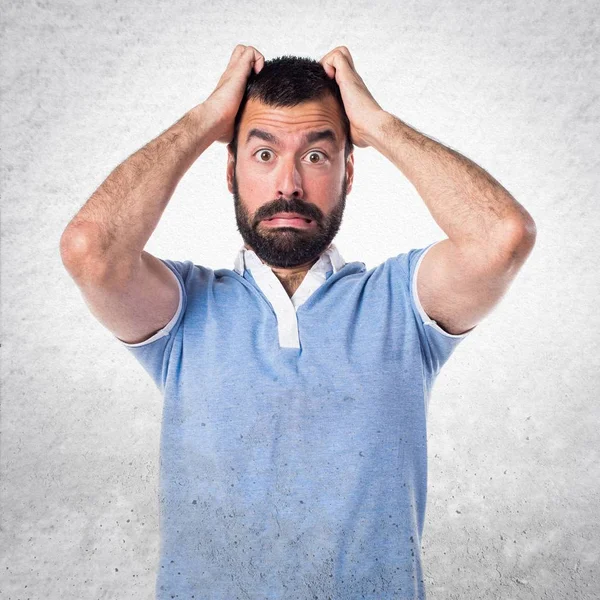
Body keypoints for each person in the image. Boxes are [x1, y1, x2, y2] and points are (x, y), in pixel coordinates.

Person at [60, 44, 536, 599]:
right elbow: (90, 249)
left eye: (316, 156)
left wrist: (378, 124)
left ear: (348, 172)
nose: (288, 184)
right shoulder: (183, 309)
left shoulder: (399, 304)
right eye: (263, 155)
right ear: (231, 172)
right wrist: (204, 119)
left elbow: (503, 238)